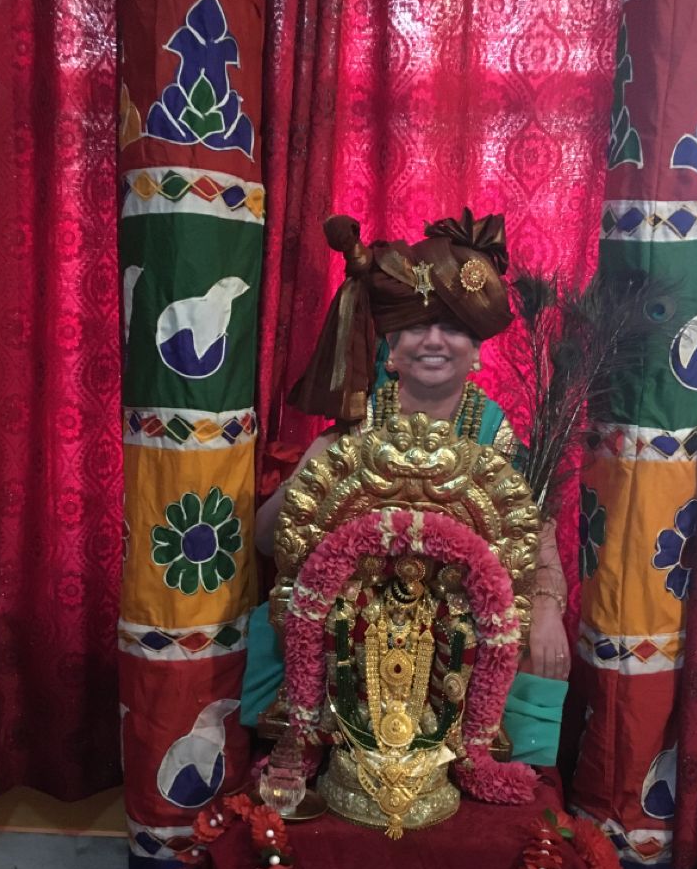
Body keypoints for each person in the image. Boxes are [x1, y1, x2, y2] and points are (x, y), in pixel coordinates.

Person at [244, 209, 571, 763]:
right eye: (418, 326)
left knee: (533, 643)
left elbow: (534, 538)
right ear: (391, 350)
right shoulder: (354, 425)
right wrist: (312, 470)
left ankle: (497, 775)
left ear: (477, 349)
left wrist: (545, 607)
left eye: (453, 327)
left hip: (461, 617)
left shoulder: (497, 436)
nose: (434, 341)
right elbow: (265, 540)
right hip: (357, 613)